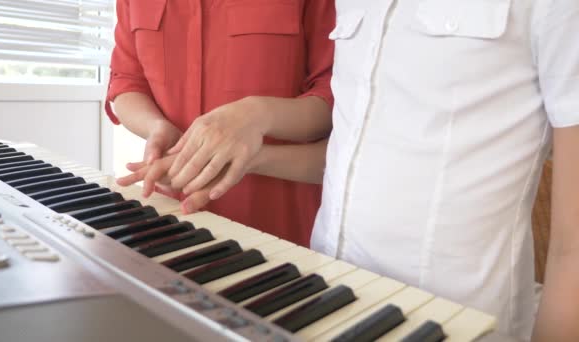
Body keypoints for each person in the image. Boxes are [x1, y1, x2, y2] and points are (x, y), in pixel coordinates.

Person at [120, 0, 579, 340]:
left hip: (456, 319)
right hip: (327, 300)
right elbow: (348, 154)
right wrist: (247, 158)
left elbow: (572, 247)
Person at [106, 0, 335, 247]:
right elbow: (125, 82)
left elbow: (338, 103)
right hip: (173, 220)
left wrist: (257, 114)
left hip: (281, 231)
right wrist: (155, 127)